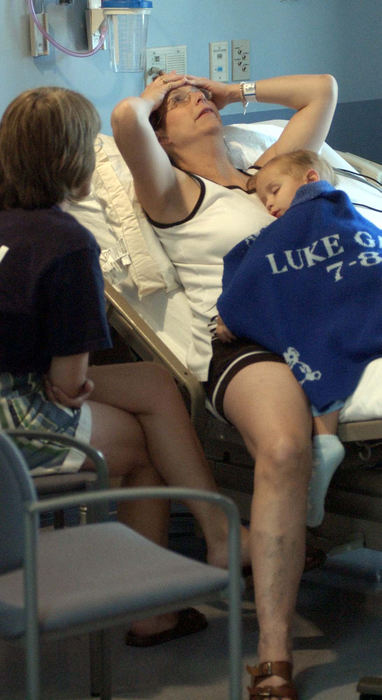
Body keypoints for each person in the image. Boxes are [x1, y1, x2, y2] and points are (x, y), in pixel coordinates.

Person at [111, 70, 338, 699]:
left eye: (198, 96)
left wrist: (227, 88)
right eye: (181, 105)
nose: (196, 102)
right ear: (164, 139)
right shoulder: (174, 192)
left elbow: (322, 89)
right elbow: (128, 122)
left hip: (331, 318)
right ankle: (274, 656)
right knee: (286, 450)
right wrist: (156, 94)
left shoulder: (268, 175)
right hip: (247, 343)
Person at [0, 86, 250, 648]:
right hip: (15, 420)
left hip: (11, 385)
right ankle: (152, 612)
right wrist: (75, 383)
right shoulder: (65, 243)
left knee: (155, 383)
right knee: (144, 447)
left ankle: (218, 538)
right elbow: (67, 384)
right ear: (75, 162)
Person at [216, 150, 351, 528]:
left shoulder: (315, 211)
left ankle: (325, 444)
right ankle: (324, 443)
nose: (269, 203)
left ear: (310, 180)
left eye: (274, 190)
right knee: (325, 340)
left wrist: (231, 311)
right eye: (262, 198)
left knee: (317, 336)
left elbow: (261, 268)